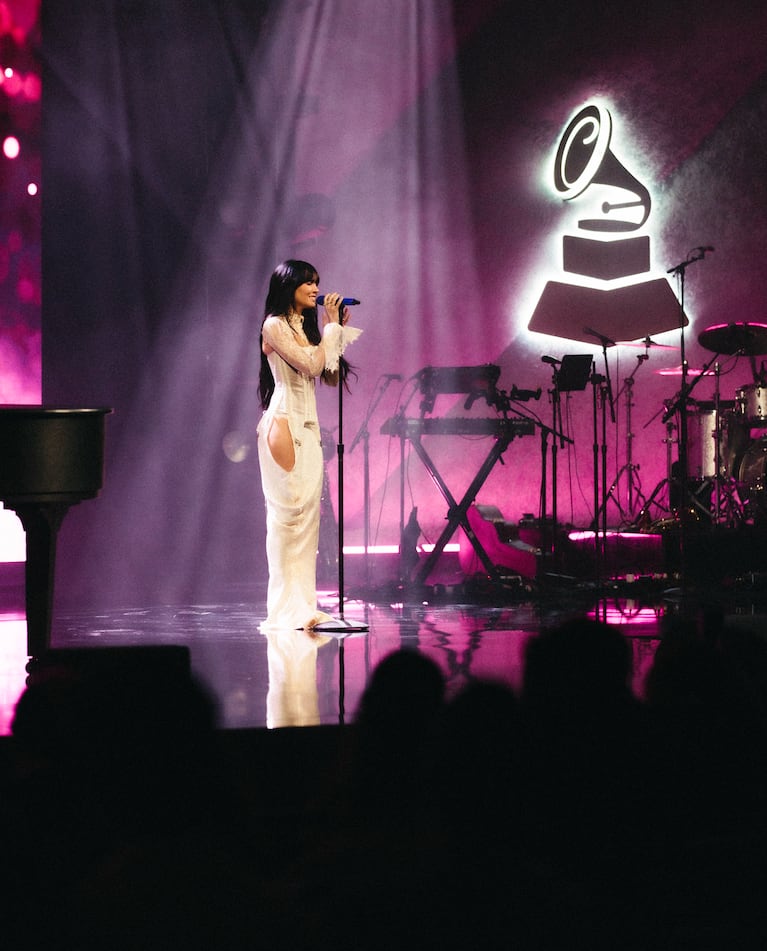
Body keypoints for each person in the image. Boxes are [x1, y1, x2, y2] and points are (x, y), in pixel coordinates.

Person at [257, 259, 361, 632]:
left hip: (309, 424)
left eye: (317, 282)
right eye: (308, 283)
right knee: (288, 518)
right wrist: (330, 331)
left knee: (308, 520)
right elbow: (310, 367)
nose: (316, 289)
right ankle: (286, 610)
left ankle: (304, 607)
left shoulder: (305, 326)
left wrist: (336, 331)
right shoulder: (274, 324)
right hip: (285, 422)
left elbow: (329, 376)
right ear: (289, 286)